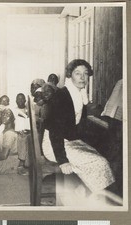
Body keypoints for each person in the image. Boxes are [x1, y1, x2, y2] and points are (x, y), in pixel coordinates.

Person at [43, 59, 115, 194]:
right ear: (70, 75)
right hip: (54, 145)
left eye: (85, 73)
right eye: (78, 73)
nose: (83, 77)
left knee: (102, 154)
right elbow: (55, 131)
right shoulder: (62, 96)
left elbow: (76, 124)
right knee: (100, 162)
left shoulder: (78, 93)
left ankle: (87, 193)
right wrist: (63, 161)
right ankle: (95, 199)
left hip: (66, 140)